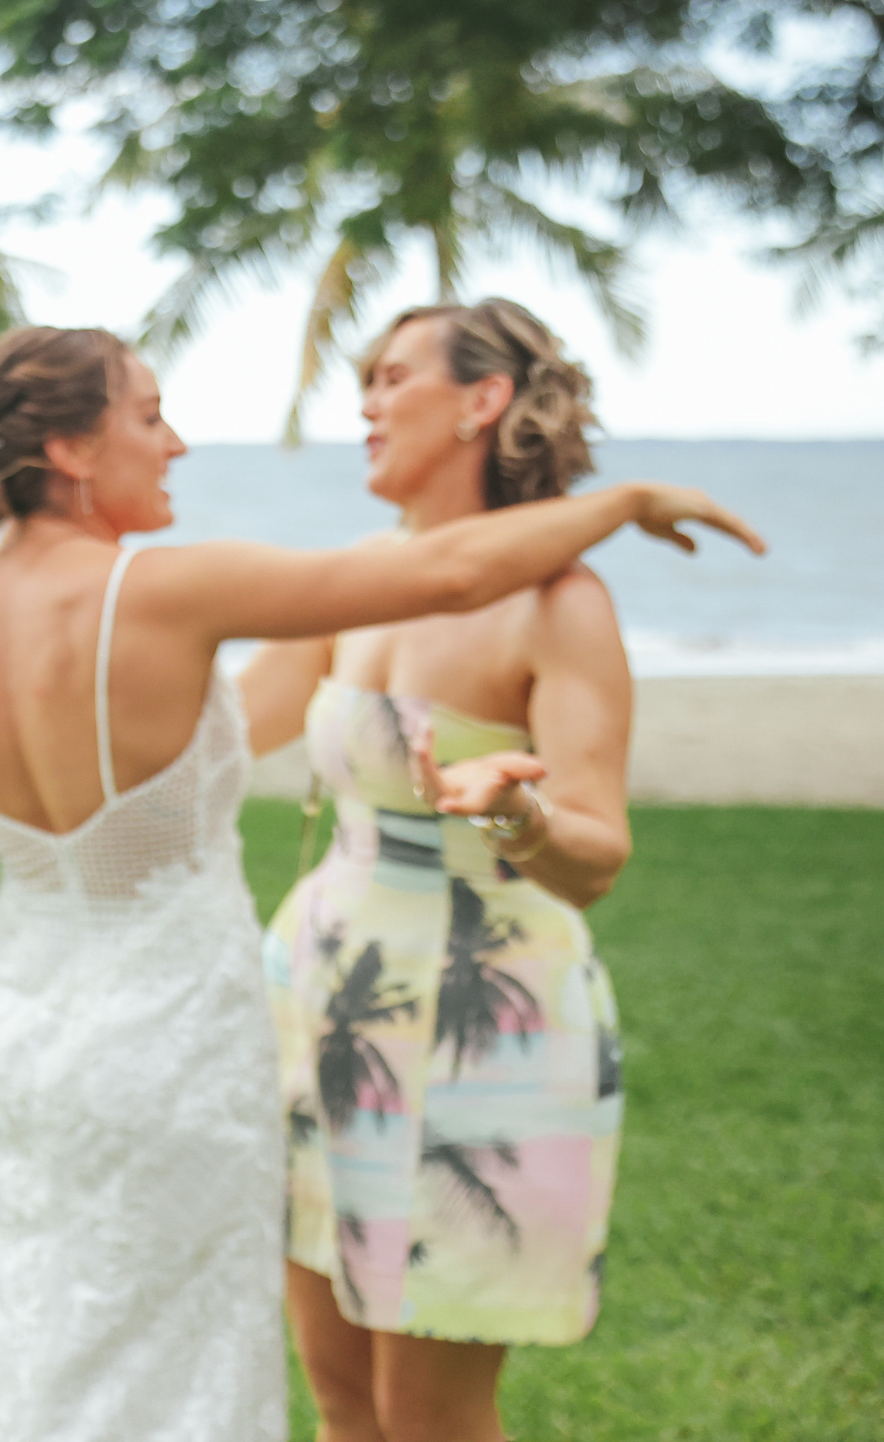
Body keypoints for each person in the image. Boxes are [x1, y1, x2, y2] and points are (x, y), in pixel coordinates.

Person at [0, 326, 762, 1442]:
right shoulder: (184, 592)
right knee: (190, 1372)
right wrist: (623, 502)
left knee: (32, 1334)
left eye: (391, 378)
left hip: (45, 1054)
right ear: (75, 450)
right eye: (148, 418)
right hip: (206, 1049)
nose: (174, 443)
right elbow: (444, 574)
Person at [241, 299, 663, 1442]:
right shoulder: (356, 581)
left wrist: (518, 812)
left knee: (425, 1417)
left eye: (391, 378)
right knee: (337, 1400)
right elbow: (218, 738)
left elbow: (596, 861)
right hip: (322, 1003)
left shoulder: (562, 605)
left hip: (481, 1025)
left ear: (483, 401)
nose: (365, 404)